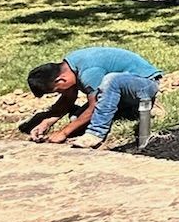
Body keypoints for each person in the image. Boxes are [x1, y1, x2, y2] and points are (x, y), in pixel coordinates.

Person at [27, 45, 162, 150]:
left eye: (57, 91)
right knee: (76, 118)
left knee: (112, 80)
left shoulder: (88, 72)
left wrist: (63, 133)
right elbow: (68, 100)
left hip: (145, 85)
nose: (60, 93)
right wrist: (46, 123)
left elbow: (95, 106)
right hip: (121, 91)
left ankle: (96, 133)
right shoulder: (69, 67)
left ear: (61, 80)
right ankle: (130, 110)